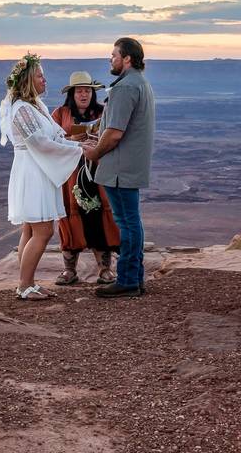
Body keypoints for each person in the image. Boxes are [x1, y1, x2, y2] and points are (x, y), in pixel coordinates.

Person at [0, 53, 82, 300]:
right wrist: (77, 151)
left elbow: (54, 135)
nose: (44, 80)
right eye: (39, 75)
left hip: (38, 170)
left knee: (30, 230)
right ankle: (24, 286)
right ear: (27, 80)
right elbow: (39, 142)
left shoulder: (36, 106)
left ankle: (28, 283)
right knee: (43, 231)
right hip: (32, 172)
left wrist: (75, 141)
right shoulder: (21, 109)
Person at [82, 37, 156, 298]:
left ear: (127, 58)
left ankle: (127, 280)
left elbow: (114, 134)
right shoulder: (140, 83)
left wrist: (94, 152)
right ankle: (135, 278)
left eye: (114, 55)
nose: (110, 59)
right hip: (128, 165)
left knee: (127, 223)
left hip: (120, 167)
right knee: (132, 222)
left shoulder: (125, 88)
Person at [50, 71, 121, 285]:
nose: (84, 94)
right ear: (72, 94)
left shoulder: (103, 112)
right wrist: (72, 139)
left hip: (98, 173)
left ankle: (104, 269)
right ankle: (69, 270)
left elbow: (113, 136)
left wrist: (95, 138)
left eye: (88, 91)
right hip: (71, 176)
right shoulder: (60, 113)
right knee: (70, 218)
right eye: (80, 91)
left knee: (99, 217)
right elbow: (51, 141)